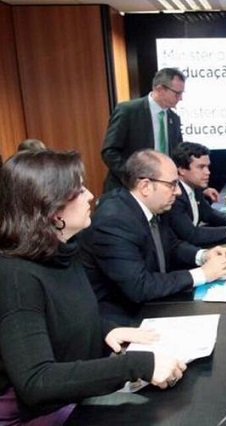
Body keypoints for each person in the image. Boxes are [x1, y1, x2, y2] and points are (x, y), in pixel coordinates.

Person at [0, 150, 185, 424]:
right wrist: (137, 365)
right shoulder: (15, 277)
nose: (90, 196)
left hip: (73, 399)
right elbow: (37, 381)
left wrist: (106, 330)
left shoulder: (64, 251)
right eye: (79, 190)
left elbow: (62, 320)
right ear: (52, 208)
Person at [79, 149, 226, 324]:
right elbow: (139, 286)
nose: (178, 192)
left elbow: (171, 245)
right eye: (172, 184)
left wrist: (203, 256)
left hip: (155, 302)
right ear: (145, 186)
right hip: (124, 318)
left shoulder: (154, 206)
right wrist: (203, 274)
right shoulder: (113, 221)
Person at [101, 68, 186, 193]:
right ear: (160, 89)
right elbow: (109, 151)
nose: (180, 98)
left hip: (160, 190)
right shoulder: (128, 111)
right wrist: (133, 177)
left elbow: (176, 154)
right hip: (126, 189)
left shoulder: (174, 119)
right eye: (177, 93)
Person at [168, 142, 226, 247]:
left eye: (207, 167)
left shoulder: (195, 187)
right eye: (201, 167)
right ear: (182, 170)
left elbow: (208, 213)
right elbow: (192, 235)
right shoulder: (174, 196)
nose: (208, 172)